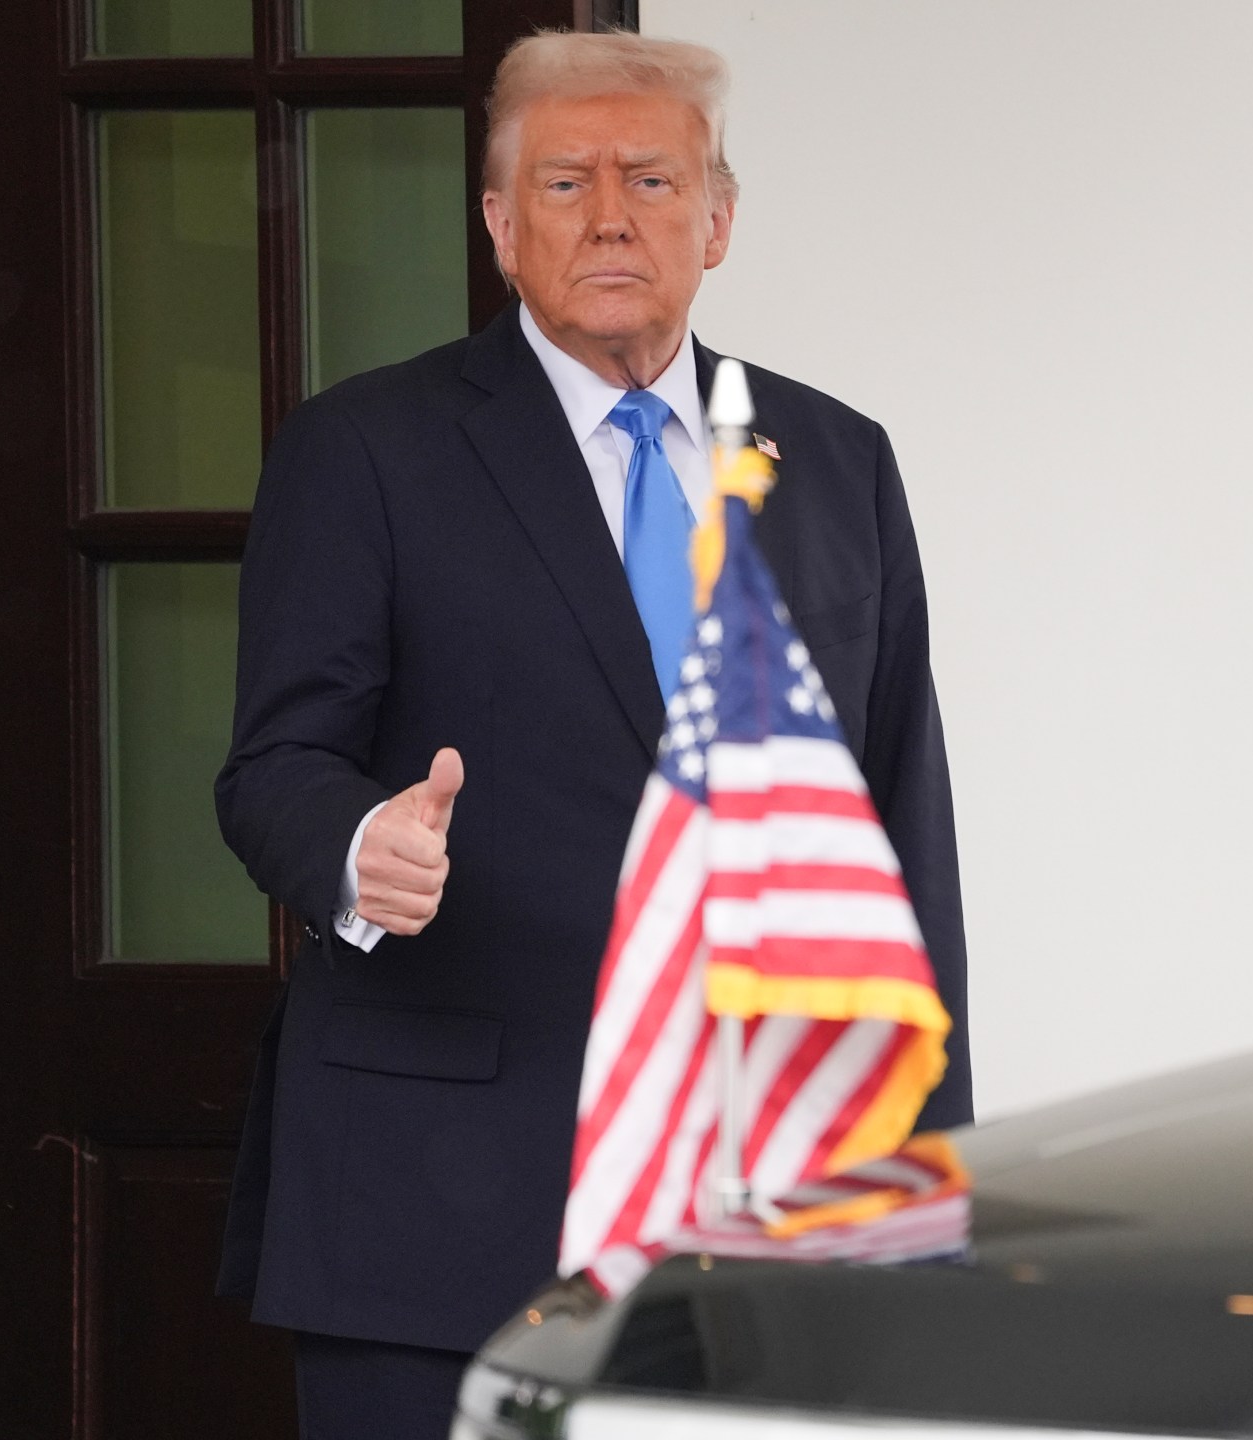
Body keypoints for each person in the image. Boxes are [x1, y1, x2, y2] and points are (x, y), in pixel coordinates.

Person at [212, 31, 971, 1439]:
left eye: (653, 179)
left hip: (765, 1209)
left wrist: (919, 1177)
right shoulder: (364, 450)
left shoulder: (840, 461)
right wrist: (360, 847)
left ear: (719, 219)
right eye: (564, 182)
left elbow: (899, 831)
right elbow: (273, 768)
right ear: (501, 227)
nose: (611, 215)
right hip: (441, 1220)